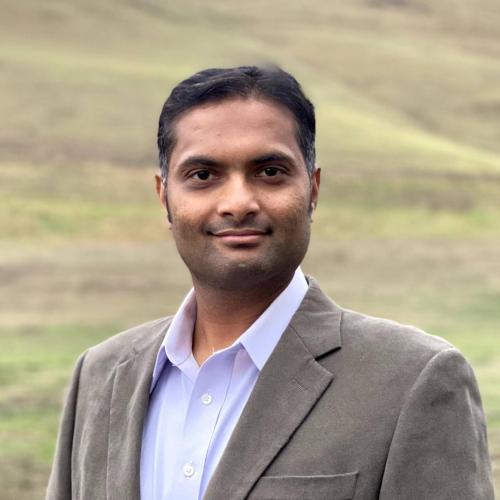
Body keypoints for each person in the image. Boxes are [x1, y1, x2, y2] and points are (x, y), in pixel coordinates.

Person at [46, 65, 494, 500]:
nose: (238, 202)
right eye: (203, 176)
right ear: (165, 196)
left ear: (313, 190)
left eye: (270, 172)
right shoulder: (100, 375)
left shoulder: (412, 380)